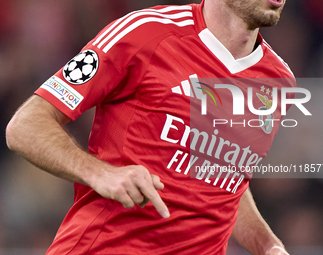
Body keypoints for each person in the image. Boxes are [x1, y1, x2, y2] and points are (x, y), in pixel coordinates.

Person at [6, 0, 294, 254]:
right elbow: (25, 125)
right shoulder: (144, 32)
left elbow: (225, 179)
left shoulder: (278, 81)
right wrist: (99, 172)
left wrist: (268, 245)